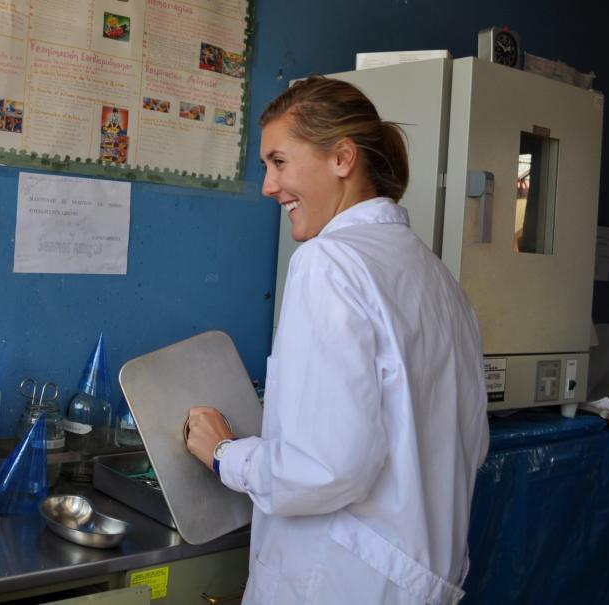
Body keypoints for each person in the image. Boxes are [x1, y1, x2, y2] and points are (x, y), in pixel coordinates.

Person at [186, 76, 489, 605]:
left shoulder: (330, 263)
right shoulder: (438, 279)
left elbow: (325, 466)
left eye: (279, 162)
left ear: (342, 158)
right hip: (419, 579)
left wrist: (223, 454)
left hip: (344, 581)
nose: (268, 186)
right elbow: (470, 442)